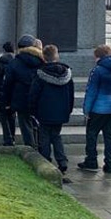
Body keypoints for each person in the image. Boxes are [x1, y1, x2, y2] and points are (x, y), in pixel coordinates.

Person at [28, 45, 74, 173]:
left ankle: (46, 160)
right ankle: (62, 160)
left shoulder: (40, 74)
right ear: (57, 56)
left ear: (43, 57)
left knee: (44, 137)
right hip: (61, 111)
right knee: (56, 136)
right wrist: (68, 110)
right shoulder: (67, 74)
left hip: (44, 110)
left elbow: (34, 94)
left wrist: (32, 110)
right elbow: (71, 95)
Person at [78, 45, 111, 174]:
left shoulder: (98, 70)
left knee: (92, 134)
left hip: (98, 108)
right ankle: (110, 164)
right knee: (110, 136)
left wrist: (86, 110)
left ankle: (91, 160)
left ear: (98, 57)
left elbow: (91, 91)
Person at [3, 34, 45, 146]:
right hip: (39, 98)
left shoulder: (15, 62)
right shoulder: (42, 61)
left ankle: (31, 149)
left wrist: (7, 101)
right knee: (38, 124)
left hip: (21, 99)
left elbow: (8, 83)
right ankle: (41, 148)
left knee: (25, 125)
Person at [0, 42, 17, 145]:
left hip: (3, 91)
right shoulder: (16, 61)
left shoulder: (2, 61)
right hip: (14, 92)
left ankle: (7, 138)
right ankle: (12, 137)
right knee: (12, 115)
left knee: (4, 116)